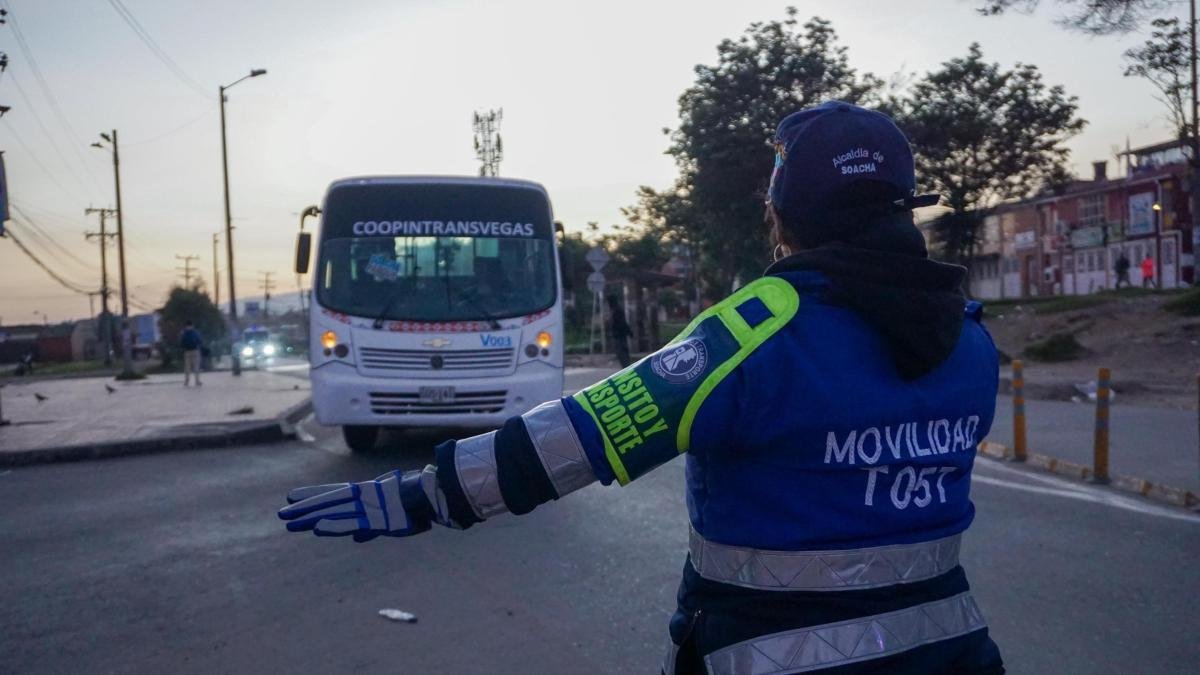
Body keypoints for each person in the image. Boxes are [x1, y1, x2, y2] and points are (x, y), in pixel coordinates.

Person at [279, 101, 1004, 674]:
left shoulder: (759, 336)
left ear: (786, 218)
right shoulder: (971, 342)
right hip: (953, 651)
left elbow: (588, 431)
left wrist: (429, 492)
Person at [608, 294, 633, 367]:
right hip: (618, 336)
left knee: (622, 354)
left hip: (620, 336)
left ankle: (626, 368)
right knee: (621, 354)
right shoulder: (614, 310)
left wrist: (629, 331)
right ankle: (626, 367)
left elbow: (622, 323)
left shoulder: (617, 311)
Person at [180, 321, 203, 387]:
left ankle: (187, 381)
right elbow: (200, 341)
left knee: (187, 367)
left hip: (187, 351)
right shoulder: (196, 332)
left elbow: (181, 342)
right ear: (192, 326)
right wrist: (198, 346)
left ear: (186, 326)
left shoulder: (184, 333)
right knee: (196, 367)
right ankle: (197, 381)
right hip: (195, 350)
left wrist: (183, 348)